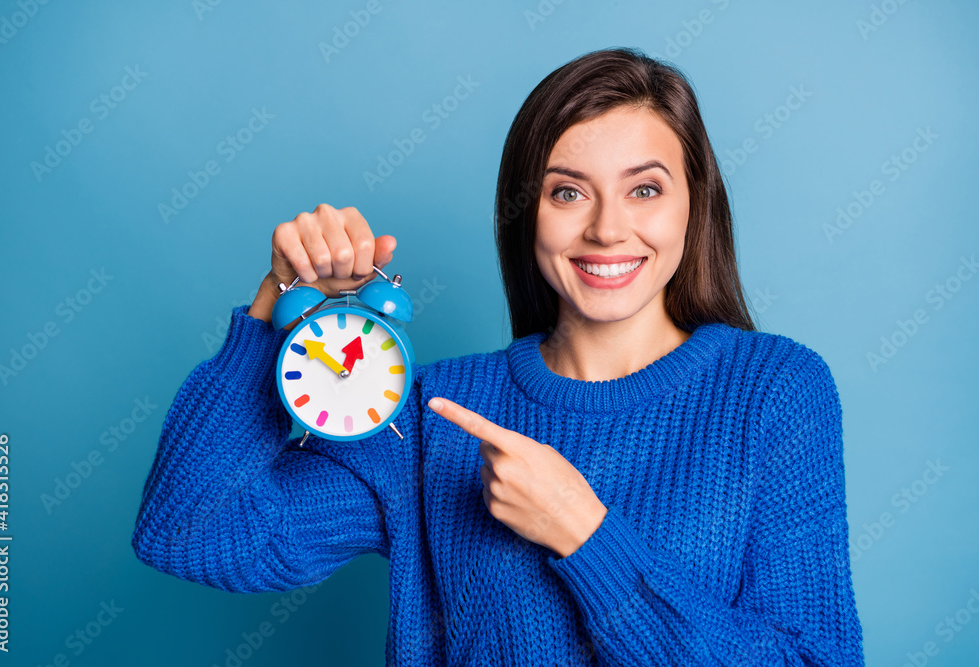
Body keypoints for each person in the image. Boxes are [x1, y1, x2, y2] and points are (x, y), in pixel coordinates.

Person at [132, 47, 865, 665]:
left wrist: (586, 536)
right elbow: (190, 532)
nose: (609, 229)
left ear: (692, 205)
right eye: (568, 192)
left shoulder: (775, 389)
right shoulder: (434, 414)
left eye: (644, 188)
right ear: (527, 213)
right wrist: (275, 301)